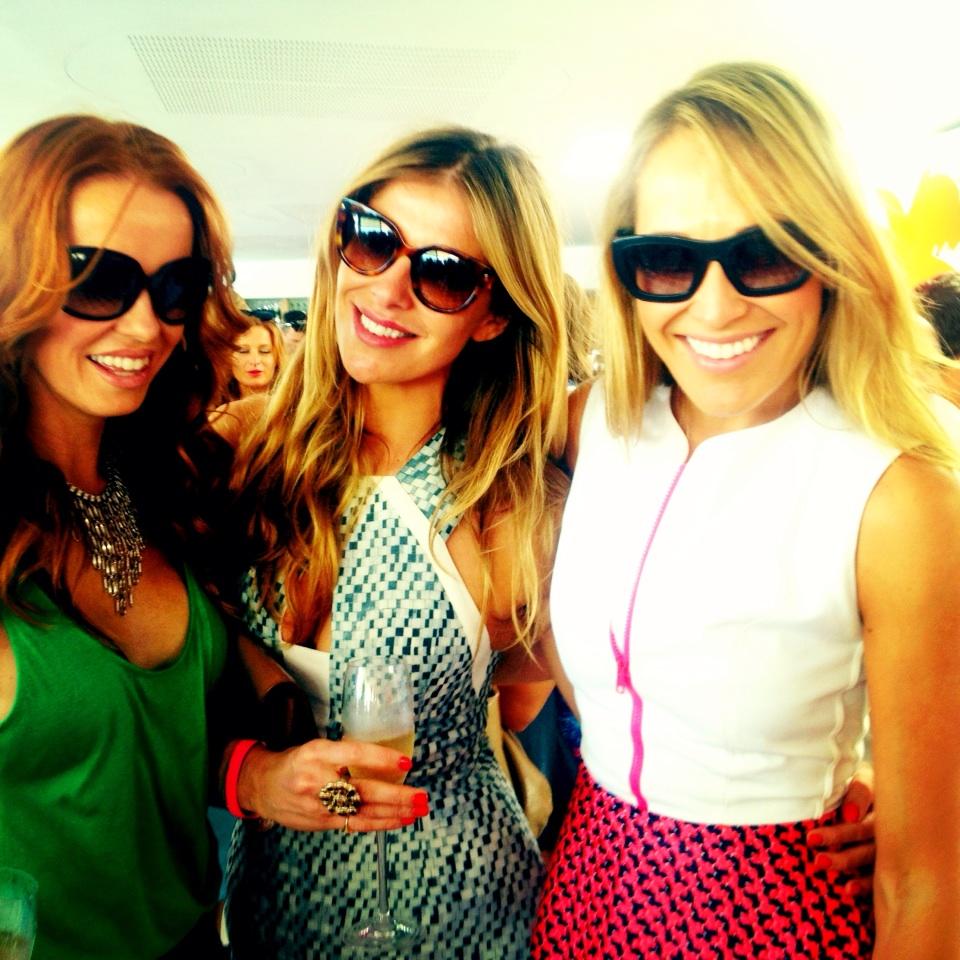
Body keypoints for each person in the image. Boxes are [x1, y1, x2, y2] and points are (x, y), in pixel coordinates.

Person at [532, 62, 960, 958]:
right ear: (626, 273)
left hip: (767, 911)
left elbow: (927, 881)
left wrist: (867, 773)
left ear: (830, 259)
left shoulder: (898, 500)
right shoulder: (594, 424)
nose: (715, 306)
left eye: (764, 254)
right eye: (667, 261)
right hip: (586, 881)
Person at [0, 115, 425, 960]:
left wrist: (263, 780)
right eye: (98, 280)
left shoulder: (170, 486)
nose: (145, 326)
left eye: (175, 288)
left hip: (198, 936)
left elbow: (155, 747)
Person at [218, 126, 570, 959]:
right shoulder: (241, 453)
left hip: (459, 909)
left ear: (493, 316)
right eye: (372, 240)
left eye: (443, 274)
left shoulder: (511, 503)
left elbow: (540, 698)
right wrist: (255, 774)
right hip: (277, 900)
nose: (386, 289)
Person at [224, 313, 284, 399]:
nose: (255, 361)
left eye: (264, 351)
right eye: (243, 351)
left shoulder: (296, 402)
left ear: (278, 357)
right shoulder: (212, 404)